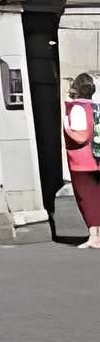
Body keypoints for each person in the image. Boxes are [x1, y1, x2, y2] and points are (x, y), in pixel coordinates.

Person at [61, 74, 100, 250]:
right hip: (97, 157)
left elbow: (80, 135)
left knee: (87, 198)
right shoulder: (96, 107)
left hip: (82, 160)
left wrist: (65, 123)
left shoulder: (77, 108)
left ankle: (94, 237)